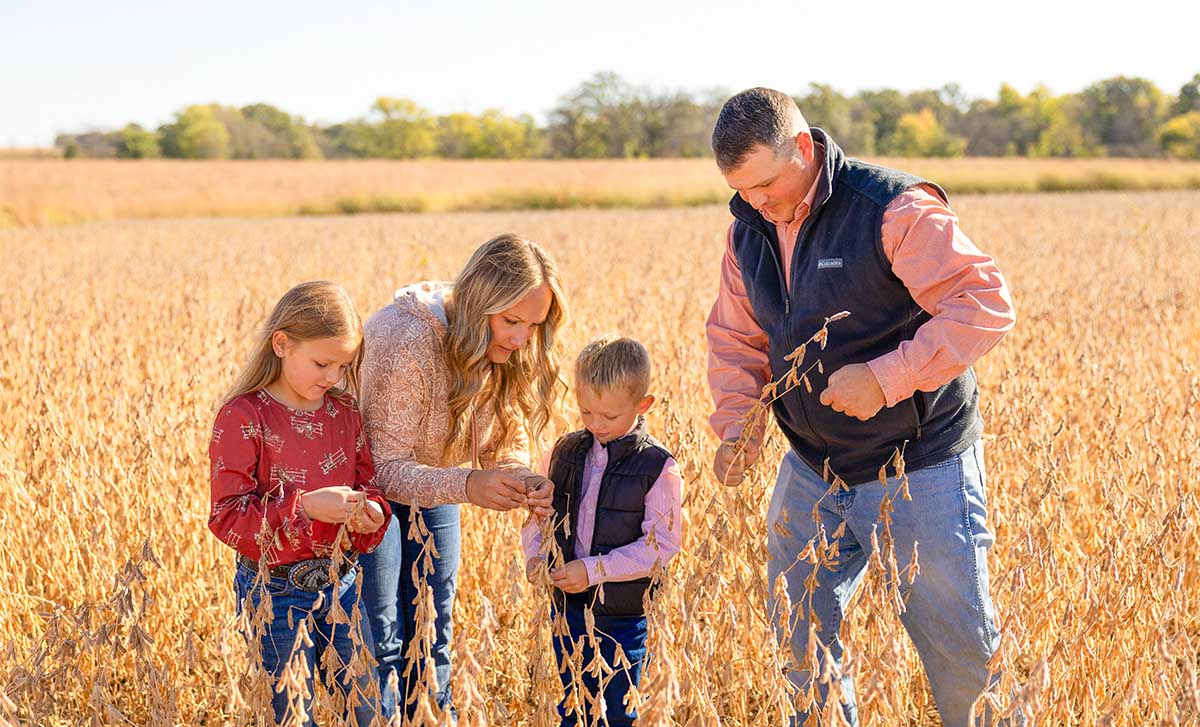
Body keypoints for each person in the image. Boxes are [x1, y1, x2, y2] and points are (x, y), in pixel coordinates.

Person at [705, 88, 1017, 726]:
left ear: (801, 147)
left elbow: (984, 304)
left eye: (765, 184)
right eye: (742, 192)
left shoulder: (891, 207)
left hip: (919, 464)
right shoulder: (748, 229)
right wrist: (739, 424)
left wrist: (885, 377)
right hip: (812, 468)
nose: (757, 203)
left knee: (960, 654)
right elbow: (736, 339)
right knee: (799, 638)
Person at [358, 233, 568, 720]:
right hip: (367, 501)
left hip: (438, 490)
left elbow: (508, 435)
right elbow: (385, 467)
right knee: (383, 643)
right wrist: (469, 484)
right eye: (511, 321)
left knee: (434, 634)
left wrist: (521, 475)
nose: (521, 339)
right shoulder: (405, 340)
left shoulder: (512, 346)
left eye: (534, 325)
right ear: (478, 304)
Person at [207, 280, 391, 726]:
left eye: (344, 366)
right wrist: (305, 508)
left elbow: (369, 484)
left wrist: (371, 514)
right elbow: (227, 516)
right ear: (282, 343)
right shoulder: (243, 417)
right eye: (322, 363)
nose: (333, 377)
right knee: (292, 714)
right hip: (273, 589)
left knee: (367, 708)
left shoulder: (343, 413)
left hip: (343, 581)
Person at [523, 335, 683, 727]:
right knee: (571, 707)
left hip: (623, 617)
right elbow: (538, 518)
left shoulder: (657, 467)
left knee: (616, 713)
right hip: (567, 610)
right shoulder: (563, 452)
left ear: (642, 405)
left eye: (609, 417)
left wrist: (593, 570)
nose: (596, 425)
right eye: (586, 412)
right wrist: (536, 557)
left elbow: (661, 547)